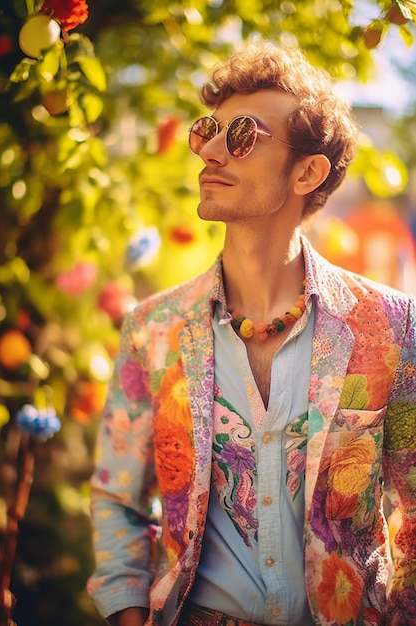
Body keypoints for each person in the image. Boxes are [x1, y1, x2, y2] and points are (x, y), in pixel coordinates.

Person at [87, 39, 416, 626]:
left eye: (241, 134)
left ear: (307, 171)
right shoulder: (152, 331)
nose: (211, 151)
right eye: (207, 131)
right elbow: (117, 498)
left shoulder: (390, 324)